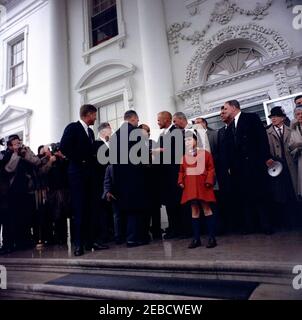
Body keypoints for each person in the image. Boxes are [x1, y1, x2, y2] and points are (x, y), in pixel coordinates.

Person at [60, 104, 109, 256]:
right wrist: (81, 160)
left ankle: (90, 242)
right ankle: (78, 245)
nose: (95, 118)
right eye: (94, 115)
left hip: (90, 176)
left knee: (91, 208)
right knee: (80, 209)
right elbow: (64, 147)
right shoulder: (72, 127)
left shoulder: (90, 132)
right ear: (88, 114)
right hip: (77, 175)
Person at [223, 100, 272, 234]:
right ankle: (250, 226)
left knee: (260, 195)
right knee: (245, 197)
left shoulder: (251, 118)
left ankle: (266, 225)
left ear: (234, 108)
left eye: (226, 108)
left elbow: (262, 139)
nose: (224, 111)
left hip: (254, 164)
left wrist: (266, 157)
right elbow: (229, 148)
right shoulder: (230, 126)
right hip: (238, 168)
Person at [109, 110, 149, 247]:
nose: (138, 123)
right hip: (136, 176)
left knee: (128, 209)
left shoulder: (114, 136)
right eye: (137, 120)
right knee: (137, 209)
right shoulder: (135, 133)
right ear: (133, 119)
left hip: (121, 179)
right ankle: (135, 238)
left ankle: (130, 237)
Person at [178, 132, 217, 249]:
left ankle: (211, 238)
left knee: (206, 208)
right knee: (194, 210)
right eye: (185, 141)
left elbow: (211, 168)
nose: (187, 142)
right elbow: (181, 171)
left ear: (196, 141)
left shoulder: (205, 154)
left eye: (189, 139)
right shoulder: (184, 157)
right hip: (190, 186)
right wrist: (180, 181)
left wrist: (209, 181)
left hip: (203, 185)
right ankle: (196, 239)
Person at [266, 107, 298, 229]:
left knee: (293, 191)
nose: (273, 119)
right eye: (271, 117)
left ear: (282, 118)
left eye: (276, 116)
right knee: (280, 194)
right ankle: (286, 222)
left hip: (291, 166)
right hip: (276, 168)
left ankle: (296, 221)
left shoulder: (290, 130)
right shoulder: (267, 132)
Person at [156, 111, 184, 239]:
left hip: (175, 174)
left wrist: (162, 150)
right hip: (165, 176)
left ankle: (182, 230)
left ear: (167, 120)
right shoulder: (162, 136)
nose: (158, 122)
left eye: (159, 120)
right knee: (169, 203)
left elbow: (179, 151)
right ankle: (173, 229)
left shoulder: (177, 132)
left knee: (179, 203)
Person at [289, 105, 302, 224]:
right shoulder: (294, 130)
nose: (300, 116)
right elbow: (291, 147)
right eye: (297, 114)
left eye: (301, 113)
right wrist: (297, 149)